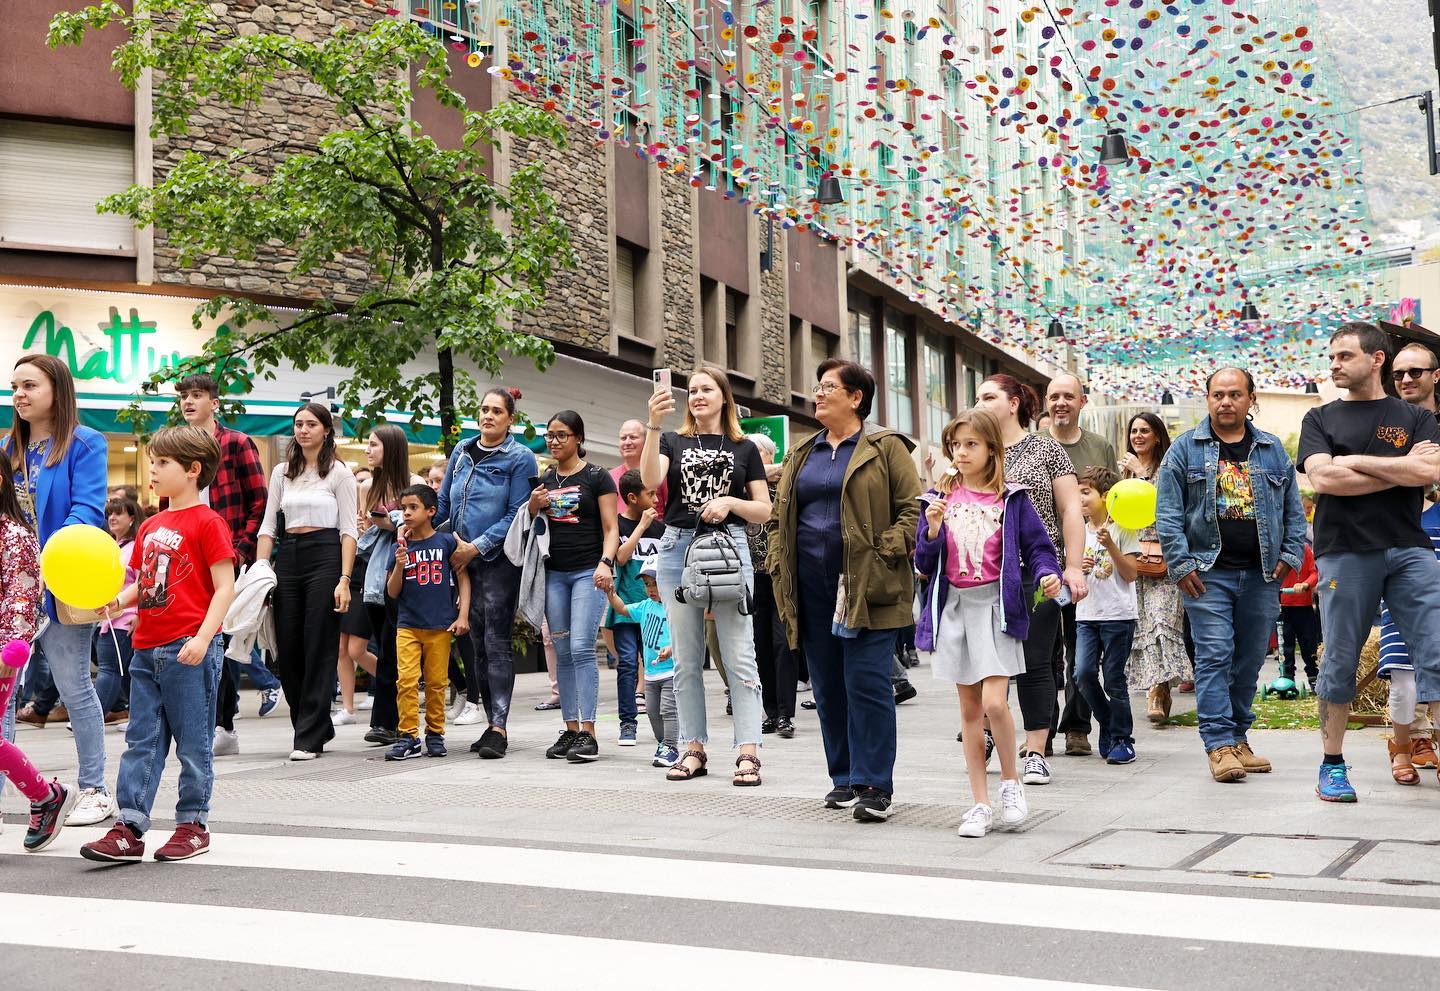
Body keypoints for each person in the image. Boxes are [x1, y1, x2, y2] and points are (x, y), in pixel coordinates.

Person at [767, 359, 919, 817]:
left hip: (869, 584)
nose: (818, 393)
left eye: (828, 387)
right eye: (818, 386)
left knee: (867, 683)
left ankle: (874, 785)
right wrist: (777, 557)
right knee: (829, 686)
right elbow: (779, 515)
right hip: (810, 587)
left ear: (856, 398)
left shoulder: (886, 447)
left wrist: (882, 552)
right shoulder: (802, 451)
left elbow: (912, 509)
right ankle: (844, 777)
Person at [80, 425, 238, 862]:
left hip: (188, 646)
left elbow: (225, 587)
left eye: (162, 462)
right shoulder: (151, 524)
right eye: (153, 461)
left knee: (193, 743)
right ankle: (129, 827)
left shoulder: (209, 522)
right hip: (146, 647)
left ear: (193, 470)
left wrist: (204, 638)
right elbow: (146, 582)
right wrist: (118, 602)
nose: (152, 469)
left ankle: (193, 824)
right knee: (141, 741)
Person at [1299, 323, 1440, 800]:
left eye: (1344, 356)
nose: (1334, 364)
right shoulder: (1319, 418)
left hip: (1410, 549)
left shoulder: (1415, 416)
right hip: (1344, 551)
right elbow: (1324, 481)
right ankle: (1332, 765)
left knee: (1436, 653)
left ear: (1377, 359)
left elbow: (1429, 470)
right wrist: (1400, 470)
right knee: (1339, 659)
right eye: (1332, 356)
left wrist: (1351, 460)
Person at [914, 409, 1061, 838]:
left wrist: (1048, 573)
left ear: (992, 449)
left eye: (971, 444)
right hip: (954, 610)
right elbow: (924, 564)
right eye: (955, 445)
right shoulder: (937, 498)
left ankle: (1011, 784)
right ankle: (979, 803)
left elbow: (1038, 547)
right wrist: (932, 530)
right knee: (970, 711)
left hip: (997, 608)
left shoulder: (1011, 499)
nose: (961, 453)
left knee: (996, 703)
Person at [1156, 367, 1306, 783]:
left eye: (1235, 394)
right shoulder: (1184, 449)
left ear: (1250, 399)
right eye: (1218, 394)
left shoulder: (1272, 449)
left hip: (1261, 575)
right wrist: (1181, 565)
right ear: (1207, 399)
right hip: (1207, 575)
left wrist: (1290, 555)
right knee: (1215, 655)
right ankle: (1219, 744)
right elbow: (1167, 514)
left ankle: (1238, 738)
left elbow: (1294, 512)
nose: (1226, 401)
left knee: (1250, 660)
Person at [642, 364, 772, 787]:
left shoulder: (743, 448)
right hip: (677, 547)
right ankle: (692, 747)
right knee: (685, 657)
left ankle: (748, 751)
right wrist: (652, 425)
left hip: (729, 546)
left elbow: (763, 509)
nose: (697, 396)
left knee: (739, 653)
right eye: (692, 390)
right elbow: (649, 480)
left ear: (723, 397)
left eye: (706, 389)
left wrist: (730, 502)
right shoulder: (671, 439)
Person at [3, 354, 112, 826]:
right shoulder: (7, 447)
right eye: (15, 387)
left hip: (62, 583)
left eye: (29, 385)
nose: (19, 394)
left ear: (57, 390)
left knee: (74, 687)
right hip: (12, 588)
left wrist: (51, 558)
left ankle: (94, 789)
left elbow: (87, 510)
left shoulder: (85, 443)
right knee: (4, 696)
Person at [973, 374, 1088, 786]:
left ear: (1014, 403)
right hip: (983, 572)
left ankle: (1036, 750)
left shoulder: (1045, 448)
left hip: (1036, 570)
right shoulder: (975, 448)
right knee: (986, 661)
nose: (980, 404)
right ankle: (986, 732)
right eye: (977, 398)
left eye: (989, 397)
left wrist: (1072, 565)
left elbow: (1071, 509)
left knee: (1035, 660)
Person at [171, 374, 270, 758]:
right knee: (195, 638)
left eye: (196, 395)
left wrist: (240, 551)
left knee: (222, 639)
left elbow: (259, 503)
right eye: (184, 396)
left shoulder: (236, 443)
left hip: (228, 555)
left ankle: (223, 724)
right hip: (187, 558)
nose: (188, 401)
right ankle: (209, 723)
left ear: (214, 402)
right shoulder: (178, 446)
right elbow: (170, 504)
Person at [437, 387, 535, 760]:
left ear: (510, 418)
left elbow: (517, 514)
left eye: (496, 411)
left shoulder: (520, 457)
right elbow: (443, 503)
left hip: (498, 562)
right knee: (476, 646)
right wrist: (421, 528)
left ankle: (499, 728)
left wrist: (475, 547)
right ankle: (490, 722)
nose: (488, 416)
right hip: (461, 561)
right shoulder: (462, 451)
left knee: (496, 642)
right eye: (484, 409)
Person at [256, 403, 358, 761]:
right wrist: (260, 571)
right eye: (298, 424)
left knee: (319, 644)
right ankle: (313, 724)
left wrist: (344, 579)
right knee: (287, 648)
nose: (303, 430)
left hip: (326, 555)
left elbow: (349, 530)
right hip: (288, 556)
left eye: (311, 424)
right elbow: (268, 526)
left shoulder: (339, 473)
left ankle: (309, 735)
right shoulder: (282, 472)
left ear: (326, 430)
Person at [532, 411, 619, 763]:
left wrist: (606, 562)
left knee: (582, 647)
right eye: (550, 435)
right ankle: (570, 729)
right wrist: (532, 505)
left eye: (562, 435)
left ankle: (589, 733)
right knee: (563, 650)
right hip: (554, 573)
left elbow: (611, 528)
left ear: (578, 438)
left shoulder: (597, 476)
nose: (554, 441)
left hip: (588, 572)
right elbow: (534, 528)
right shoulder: (544, 479)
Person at [0, 463, 74, 852]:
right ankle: (46, 796)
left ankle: (46, 796)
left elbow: (22, 596)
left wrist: (12, 649)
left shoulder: (15, 536)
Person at [1375, 341, 1440, 777]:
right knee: (1404, 670)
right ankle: (1409, 742)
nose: (1406, 380)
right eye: (1399, 374)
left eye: (1416, 372)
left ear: (1436, 376)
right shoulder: (1384, 428)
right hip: (1399, 546)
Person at [1045, 374, 1115, 757]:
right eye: (1054, 396)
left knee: (1080, 646)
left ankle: (1076, 726)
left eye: (1068, 396)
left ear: (1082, 402)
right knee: (1041, 649)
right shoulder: (1033, 445)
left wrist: (1103, 554)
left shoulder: (1099, 446)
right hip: (1040, 561)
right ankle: (1040, 728)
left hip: (1084, 564)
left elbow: (1111, 505)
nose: (1061, 403)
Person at [382, 484, 469, 760]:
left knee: (436, 683)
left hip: (439, 625)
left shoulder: (446, 542)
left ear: (431, 511)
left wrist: (463, 615)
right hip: (407, 625)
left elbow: (463, 578)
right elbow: (392, 591)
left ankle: (435, 733)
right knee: (406, 681)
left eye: (413, 507)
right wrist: (399, 564)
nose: (406, 513)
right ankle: (408, 736)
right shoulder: (399, 546)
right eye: (403, 508)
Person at [1119, 413, 1190, 723]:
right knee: (1142, 627)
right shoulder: (1123, 473)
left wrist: (1142, 475)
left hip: (1164, 558)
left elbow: (1166, 510)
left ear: (1157, 436)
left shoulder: (1168, 470)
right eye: (1134, 430)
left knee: (1162, 621)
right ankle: (1155, 687)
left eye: (1144, 430)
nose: (1137, 436)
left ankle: (1159, 690)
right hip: (1132, 558)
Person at [1073, 466, 1142, 764]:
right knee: (1083, 674)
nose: (1079, 499)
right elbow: (1070, 573)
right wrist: (1078, 568)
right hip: (1086, 614)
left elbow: (1130, 574)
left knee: (1114, 678)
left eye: (1085, 492)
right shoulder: (1077, 530)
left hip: (1118, 616)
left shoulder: (1123, 529)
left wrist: (1110, 545)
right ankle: (1109, 723)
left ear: (1105, 496)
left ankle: (1122, 739)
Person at [605, 470, 665, 746]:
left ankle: (665, 721)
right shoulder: (617, 525)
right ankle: (627, 724)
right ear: (632, 498)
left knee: (657, 664)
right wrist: (640, 527)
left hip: (656, 610)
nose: (655, 499)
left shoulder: (661, 529)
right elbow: (619, 557)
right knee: (627, 664)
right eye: (650, 494)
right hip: (626, 608)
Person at [744, 432, 798, 738]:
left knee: (783, 641)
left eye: (755, 452)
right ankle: (771, 711)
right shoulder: (745, 485)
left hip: (781, 571)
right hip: (751, 574)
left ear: (768, 454)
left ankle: (785, 714)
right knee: (760, 643)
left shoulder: (784, 482)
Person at [606, 559, 678, 768]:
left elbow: (685, 636)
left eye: (655, 583)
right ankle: (663, 744)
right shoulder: (645, 606)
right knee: (653, 713)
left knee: (668, 710)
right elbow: (622, 609)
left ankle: (671, 746)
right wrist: (610, 593)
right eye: (647, 584)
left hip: (670, 672)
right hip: (651, 674)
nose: (651, 589)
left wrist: (671, 649)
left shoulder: (675, 607)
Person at [95, 496, 141, 725]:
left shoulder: (134, 548)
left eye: (118, 513)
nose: (112, 518)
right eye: (110, 513)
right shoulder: (111, 546)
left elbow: (143, 582)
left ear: (131, 518)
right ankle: (130, 714)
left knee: (109, 669)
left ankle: (93, 716)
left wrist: (140, 615)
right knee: (124, 672)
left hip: (124, 619)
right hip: (107, 618)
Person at [1278, 543, 1320, 693]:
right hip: (1282, 606)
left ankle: (1314, 676)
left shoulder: (1304, 549)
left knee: (1309, 644)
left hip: (1303, 606)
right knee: (1285, 645)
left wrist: (1305, 584)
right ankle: (1287, 677)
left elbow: (1314, 573)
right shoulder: (1275, 549)